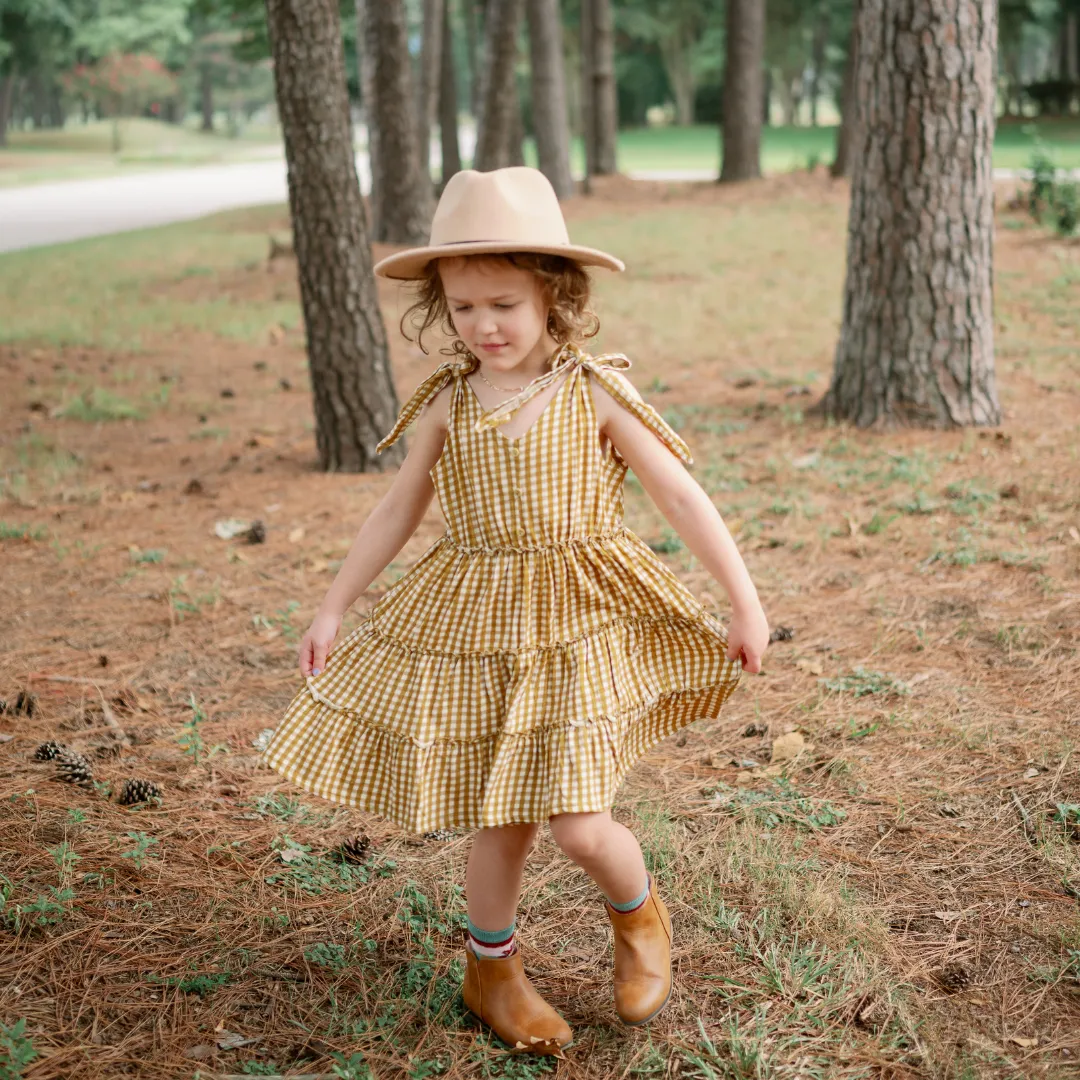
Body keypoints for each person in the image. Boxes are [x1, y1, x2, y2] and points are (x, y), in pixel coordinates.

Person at [263, 167, 769, 1054]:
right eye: (461, 308)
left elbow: (681, 498)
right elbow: (399, 509)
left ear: (554, 295)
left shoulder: (593, 391)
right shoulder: (450, 404)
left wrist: (743, 598)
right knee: (500, 819)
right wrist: (335, 604)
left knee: (578, 822)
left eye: (503, 303)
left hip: (577, 622)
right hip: (478, 624)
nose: (483, 326)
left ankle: (639, 917)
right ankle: (490, 969)